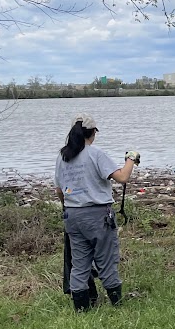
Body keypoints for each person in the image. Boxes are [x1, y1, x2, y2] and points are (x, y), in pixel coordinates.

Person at [55, 114, 139, 311]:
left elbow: (59, 190)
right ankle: (118, 306)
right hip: (98, 215)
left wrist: (67, 207)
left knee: (79, 263)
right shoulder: (95, 154)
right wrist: (131, 158)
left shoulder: (63, 156)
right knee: (106, 260)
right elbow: (122, 177)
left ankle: (82, 310)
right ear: (93, 132)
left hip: (72, 216)